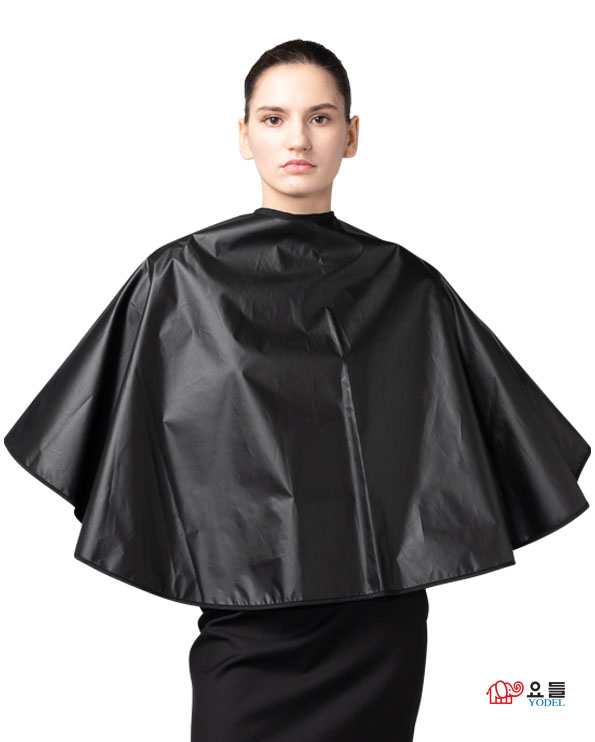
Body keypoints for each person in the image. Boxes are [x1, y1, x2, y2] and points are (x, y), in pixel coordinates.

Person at [4, 39, 590, 742]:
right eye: (274, 118)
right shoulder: (180, 278)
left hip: (377, 626)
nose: (298, 140)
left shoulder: (408, 287)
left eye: (320, 117)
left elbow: (493, 433)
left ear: (351, 135)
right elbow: (104, 434)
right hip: (246, 624)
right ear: (243, 135)